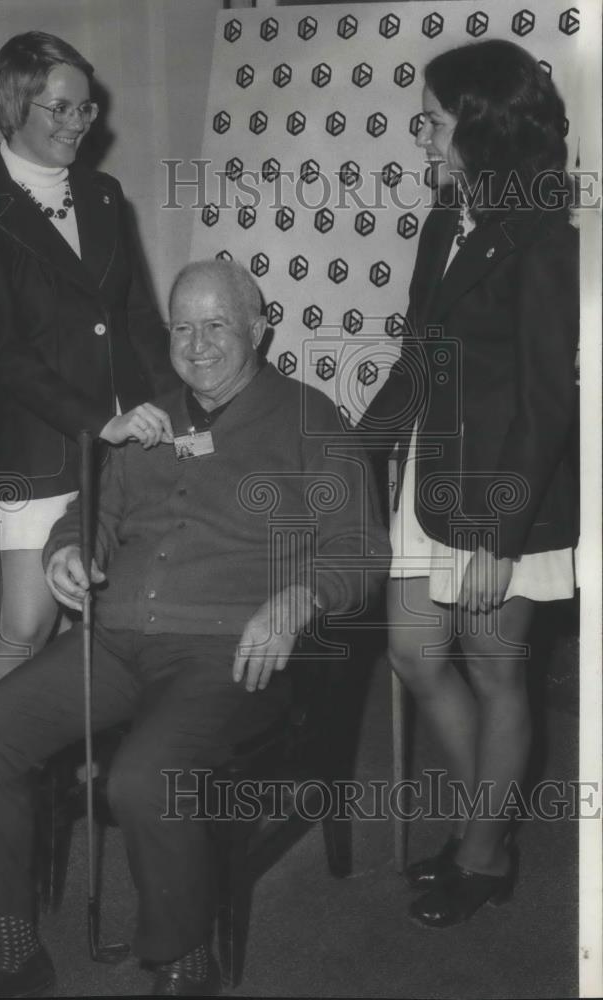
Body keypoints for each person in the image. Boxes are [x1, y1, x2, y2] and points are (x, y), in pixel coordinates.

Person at [0, 259, 390, 997]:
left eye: (217, 324)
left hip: (229, 652)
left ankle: (187, 964)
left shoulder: (312, 420)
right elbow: (89, 516)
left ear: (259, 328)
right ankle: (11, 945)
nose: (198, 343)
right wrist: (68, 553)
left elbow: (361, 549)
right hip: (117, 640)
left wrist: (299, 598)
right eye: (182, 326)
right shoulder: (147, 423)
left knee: (146, 778)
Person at [358, 38, 578, 927]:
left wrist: (500, 534)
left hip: (501, 497)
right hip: (432, 479)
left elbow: (543, 404)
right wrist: (351, 447)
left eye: (433, 123)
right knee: (413, 652)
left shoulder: (545, 237)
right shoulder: (446, 219)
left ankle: (484, 853)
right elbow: (418, 356)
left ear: (479, 128)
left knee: (495, 672)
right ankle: (487, 818)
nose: (422, 139)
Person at [0, 31, 178, 685]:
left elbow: (137, 324)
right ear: (15, 106)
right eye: (61, 109)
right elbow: (6, 355)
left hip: (124, 442)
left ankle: (77, 778)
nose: (78, 123)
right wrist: (100, 420)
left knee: (95, 620)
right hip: (41, 449)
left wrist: (177, 413)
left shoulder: (103, 195)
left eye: (86, 109)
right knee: (28, 625)